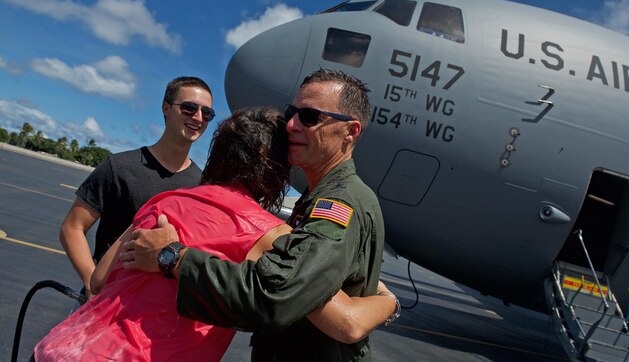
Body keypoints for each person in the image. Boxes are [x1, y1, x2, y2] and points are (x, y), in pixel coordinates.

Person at [34, 107, 396, 361]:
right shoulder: (269, 233)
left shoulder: (164, 201)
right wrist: (386, 299)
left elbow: (98, 280)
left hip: (62, 347)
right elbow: (342, 319)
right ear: (272, 168)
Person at [123, 68, 390, 361]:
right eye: (292, 112)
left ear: (350, 132)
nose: (290, 125)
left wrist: (174, 257)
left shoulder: (340, 203)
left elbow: (274, 293)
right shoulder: (318, 198)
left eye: (310, 117)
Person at [59, 76, 214, 299]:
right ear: (166, 109)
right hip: (104, 303)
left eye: (207, 113)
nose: (198, 117)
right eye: (189, 108)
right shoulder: (119, 167)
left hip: (154, 313)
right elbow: (72, 228)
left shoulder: (202, 186)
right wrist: (93, 287)